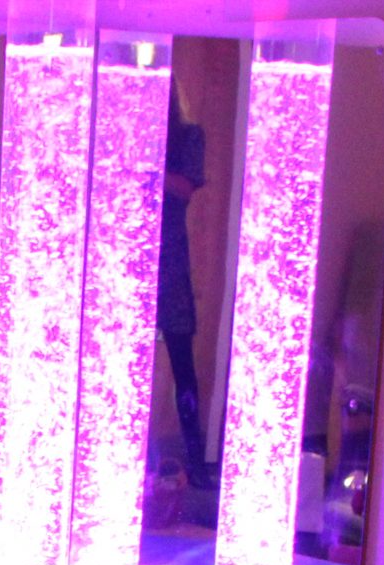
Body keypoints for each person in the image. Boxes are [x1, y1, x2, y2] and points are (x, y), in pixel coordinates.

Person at [158, 85, 212, 488]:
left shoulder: (188, 135)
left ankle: (195, 461)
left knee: (183, 367)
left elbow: (185, 187)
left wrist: (146, 166)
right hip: (129, 256)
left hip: (171, 260)